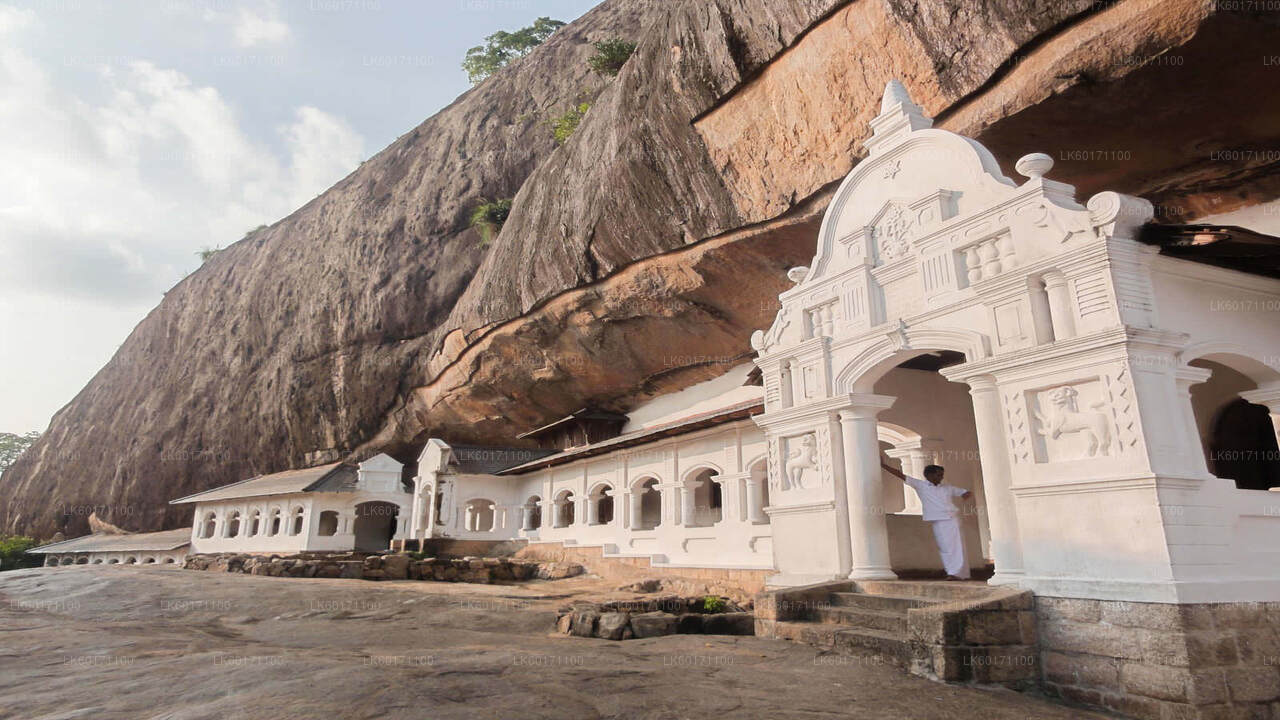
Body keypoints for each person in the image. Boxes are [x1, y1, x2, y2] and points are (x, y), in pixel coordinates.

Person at [881, 462, 972, 580]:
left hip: (952, 519)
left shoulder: (947, 488)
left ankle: (957, 573)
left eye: (942, 475)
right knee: (944, 547)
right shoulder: (920, 485)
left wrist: (966, 495)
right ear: (929, 475)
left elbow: (965, 492)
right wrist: (883, 465)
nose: (941, 477)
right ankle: (952, 572)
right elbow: (900, 474)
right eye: (938, 475)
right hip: (937, 520)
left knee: (956, 546)